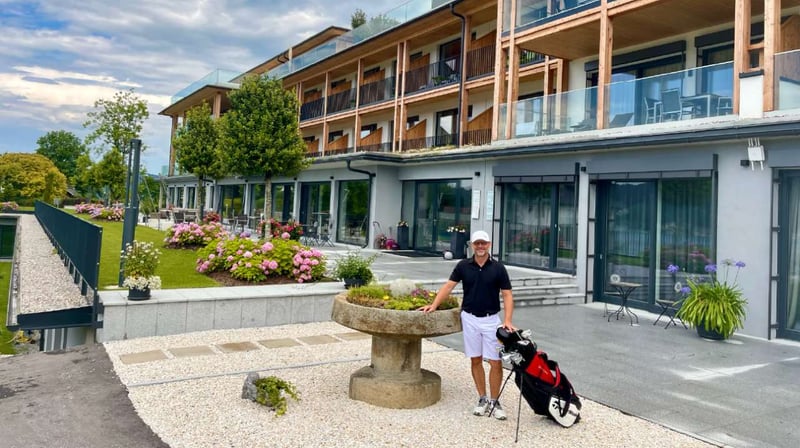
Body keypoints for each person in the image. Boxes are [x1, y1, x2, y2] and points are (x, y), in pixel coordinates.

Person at [419, 230, 515, 420]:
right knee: (475, 360)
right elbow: (448, 286)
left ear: (489, 245)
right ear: (472, 245)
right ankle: (482, 398)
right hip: (469, 319)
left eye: (484, 244)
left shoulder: (498, 268)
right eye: (477, 244)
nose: (480, 247)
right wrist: (434, 305)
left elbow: (507, 294)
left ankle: (495, 401)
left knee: (495, 362)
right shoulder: (463, 265)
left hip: (490, 321)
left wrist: (508, 320)